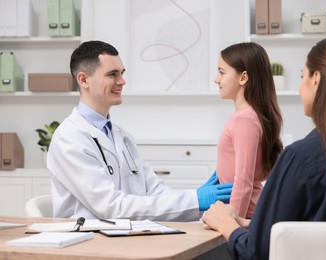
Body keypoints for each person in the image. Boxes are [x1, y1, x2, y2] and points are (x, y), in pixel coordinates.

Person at [201, 37, 326, 259]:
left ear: (316, 80)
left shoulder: (300, 160)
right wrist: (249, 224)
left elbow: (256, 252)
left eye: (302, 76)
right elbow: (317, 232)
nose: (300, 87)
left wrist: (227, 224)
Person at [47, 40, 232, 221]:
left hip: (126, 235)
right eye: (112, 74)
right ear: (83, 79)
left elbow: (154, 191)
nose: (122, 81)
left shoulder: (122, 137)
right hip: (88, 242)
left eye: (122, 73)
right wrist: (194, 200)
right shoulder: (70, 138)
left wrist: (200, 203)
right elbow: (110, 207)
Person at [213, 42, 282, 218]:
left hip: (245, 214)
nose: (216, 79)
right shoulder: (247, 117)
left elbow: (243, 183)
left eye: (221, 72)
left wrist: (231, 225)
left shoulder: (244, 120)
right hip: (246, 212)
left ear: (243, 77)